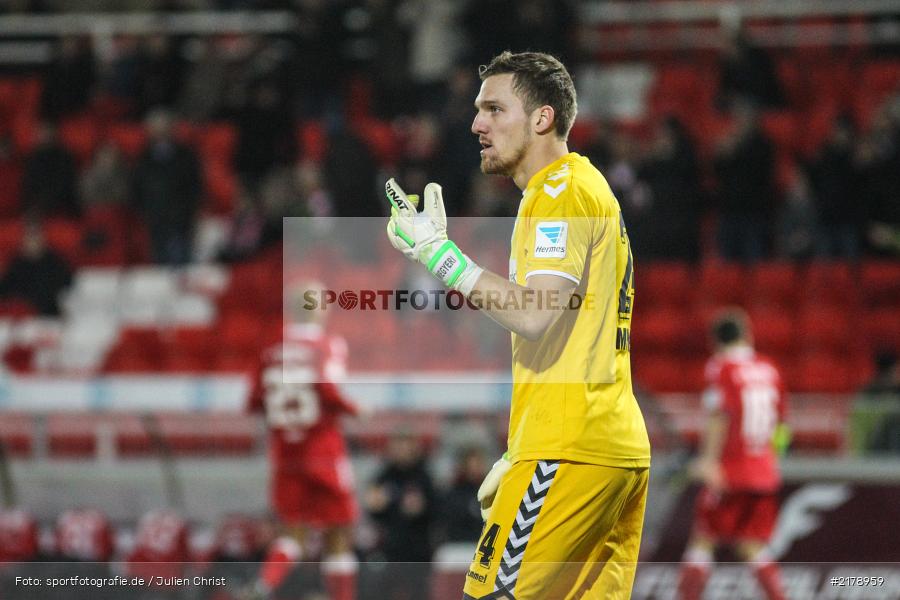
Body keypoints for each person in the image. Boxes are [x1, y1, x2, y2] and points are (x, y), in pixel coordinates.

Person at [384, 51, 650, 599]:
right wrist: (518, 447)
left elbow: (534, 313)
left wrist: (440, 256)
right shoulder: (576, 189)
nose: (477, 123)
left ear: (542, 118)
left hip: (569, 446)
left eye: (494, 109)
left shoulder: (559, 192)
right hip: (604, 445)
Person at [246, 282, 359, 600]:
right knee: (340, 531)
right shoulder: (327, 345)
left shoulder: (270, 350)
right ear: (320, 309)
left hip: (285, 455)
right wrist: (357, 410)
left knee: (291, 532)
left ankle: (263, 585)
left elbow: (253, 401)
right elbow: (329, 390)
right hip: (323, 453)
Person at [677, 310, 789, 600]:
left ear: (715, 341)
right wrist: (770, 457)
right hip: (763, 472)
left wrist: (709, 461)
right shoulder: (769, 368)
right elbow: (781, 424)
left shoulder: (721, 367)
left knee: (702, 540)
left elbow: (720, 415)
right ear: (748, 335)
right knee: (752, 545)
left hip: (730, 471)